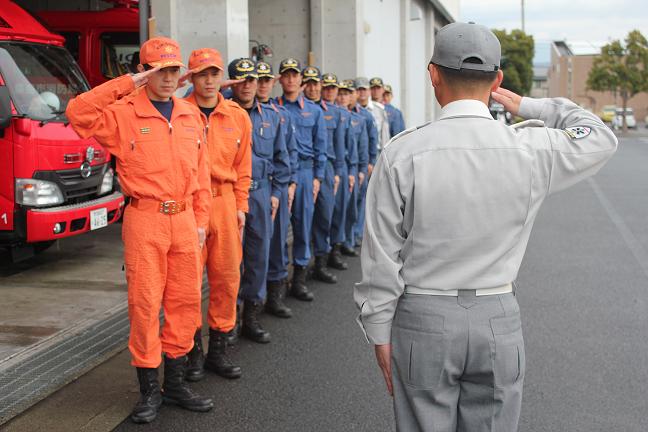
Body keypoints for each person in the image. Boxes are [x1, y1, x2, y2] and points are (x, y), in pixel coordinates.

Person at [353, 22, 618, 432]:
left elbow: (379, 256)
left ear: (433, 74)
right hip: (498, 317)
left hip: (422, 317)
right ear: (497, 79)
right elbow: (599, 136)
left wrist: (378, 328)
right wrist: (533, 106)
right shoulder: (529, 149)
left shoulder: (402, 152)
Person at [66, 36, 214, 424]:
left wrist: (200, 221)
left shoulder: (189, 113)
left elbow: (201, 175)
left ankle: (177, 383)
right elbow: (77, 112)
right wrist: (128, 83)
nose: (167, 77)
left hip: (183, 219)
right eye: (158, 70)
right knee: (146, 305)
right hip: (145, 218)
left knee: (184, 303)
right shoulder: (123, 113)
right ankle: (149, 390)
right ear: (145, 72)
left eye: (172, 69)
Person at [183, 49, 252, 381]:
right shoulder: (180, 113)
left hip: (224, 204)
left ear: (221, 77)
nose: (208, 81)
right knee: (189, 282)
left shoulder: (237, 115)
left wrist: (241, 207)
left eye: (213, 74)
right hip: (190, 205)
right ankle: (192, 352)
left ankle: (219, 351)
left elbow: (243, 169)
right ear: (191, 78)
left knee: (226, 278)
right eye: (201, 74)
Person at [228, 58, 291, 343]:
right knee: (228, 262)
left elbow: (281, 159)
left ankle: (251, 317)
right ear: (232, 82)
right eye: (241, 80)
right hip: (229, 195)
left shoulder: (272, 117)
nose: (248, 85)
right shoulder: (221, 114)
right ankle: (227, 322)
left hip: (261, 193)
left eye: (252, 80)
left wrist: (277, 193)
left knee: (258, 257)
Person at [275, 58, 327, 301]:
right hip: (281, 175)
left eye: (295, 75)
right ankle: (279, 280)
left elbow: (321, 147)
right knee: (279, 229)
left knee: (303, 226)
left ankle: (299, 279)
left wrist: (318, 177)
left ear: (301, 80)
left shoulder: (314, 111)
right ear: (280, 79)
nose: (291, 79)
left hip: (306, 174)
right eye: (286, 75)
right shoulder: (274, 107)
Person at [256, 61, 298, 318]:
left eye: (265, 80)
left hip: (275, 186)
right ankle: (248, 304)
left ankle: (275, 296)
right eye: (255, 79)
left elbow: (288, 153)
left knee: (277, 243)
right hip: (248, 190)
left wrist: (287, 185)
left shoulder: (279, 114)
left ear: (273, 82)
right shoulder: (232, 110)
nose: (260, 85)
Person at [302, 66, 345, 283]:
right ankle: (301, 266)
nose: (311, 88)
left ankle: (320, 261)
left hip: (326, 167)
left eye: (315, 83)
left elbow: (338, 145)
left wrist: (337, 171)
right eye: (307, 83)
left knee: (324, 215)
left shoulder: (334, 112)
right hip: (303, 168)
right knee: (302, 220)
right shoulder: (296, 108)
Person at [323, 73, 354, 271]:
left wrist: (349, 170)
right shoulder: (318, 110)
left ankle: (335, 249)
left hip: (339, 167)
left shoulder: (343, 114)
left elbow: (348, 145)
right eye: (326, 88)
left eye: (333, 88)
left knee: (339, 211)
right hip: (325, 166)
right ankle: (323, 253)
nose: (330, 92)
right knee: (324, 214)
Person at [348, 78, 379, 255]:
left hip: (363, 163)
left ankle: (357, 234)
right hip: (350, 165)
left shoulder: (365, 116)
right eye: (355, 90)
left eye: (358, 91)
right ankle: (349, 237)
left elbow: (371, 140)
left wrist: (370, 162)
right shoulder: (342, 113)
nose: (357, 94)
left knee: (360, 201)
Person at [339, 79, 369, 258]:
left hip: (355, 166)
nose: (343, 97)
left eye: (347, 93)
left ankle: (350, 239)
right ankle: (341, 241)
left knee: (353, 207)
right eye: (341, 93)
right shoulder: (334, 114)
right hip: (340, 166)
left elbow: (366, 145)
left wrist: (363, 169)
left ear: (354, 95)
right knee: (341, 208)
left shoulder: (361, 118)